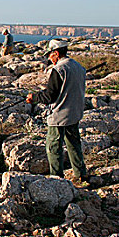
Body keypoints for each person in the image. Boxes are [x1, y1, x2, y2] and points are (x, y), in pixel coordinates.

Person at [26, 39, 88, 182]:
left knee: (54, 147)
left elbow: (49, 96)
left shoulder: (58, 69)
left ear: (56, 53)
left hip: (60, 114)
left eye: (49, 55)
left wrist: (33, 97)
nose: (49, 58)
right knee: (74, 144)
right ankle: (81, 174)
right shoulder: (78, 66)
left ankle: (56, 179)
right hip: (75, 112)